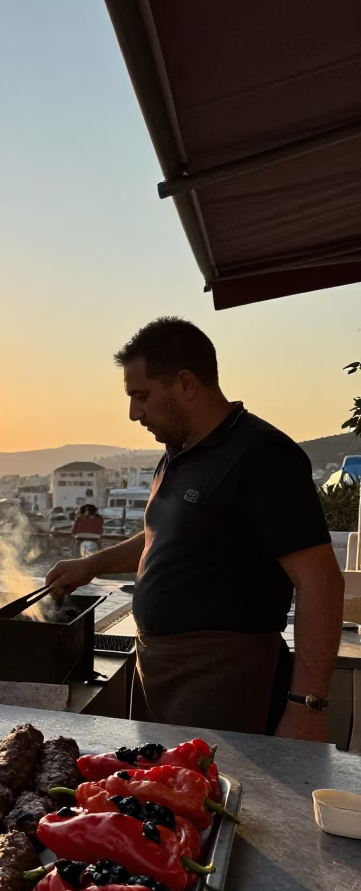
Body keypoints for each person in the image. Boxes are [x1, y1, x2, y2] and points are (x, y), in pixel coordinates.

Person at [45, 317, 343, 741]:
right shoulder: (178, 453)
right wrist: (92, 564)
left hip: (222, 676)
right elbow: (163, 537)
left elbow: (321, 582)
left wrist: (307, 707)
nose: (133, 413)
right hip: (160, 669)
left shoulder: (263, 457)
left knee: (210, 800)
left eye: (141, 396)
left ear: (185, 384)